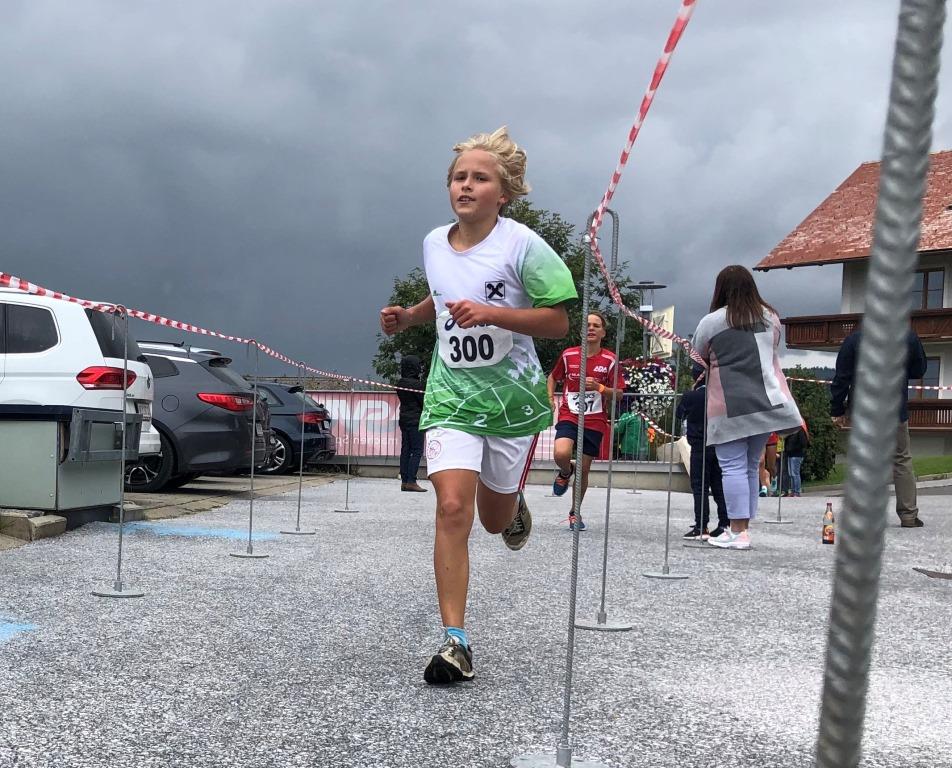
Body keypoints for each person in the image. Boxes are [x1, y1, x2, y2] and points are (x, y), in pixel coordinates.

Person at [379, 127, 576, 685]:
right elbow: (441, 297)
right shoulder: (433, 243)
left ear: (503, 193)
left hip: (510, 402)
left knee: (492, 521)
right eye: (458, 177)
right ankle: (455, 641)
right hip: (451, 395)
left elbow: (559, 321)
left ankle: (512, 507)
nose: (466, 185)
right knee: (450, 508)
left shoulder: (523, 246)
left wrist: (493, 314)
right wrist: (409, 317)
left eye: (479, 178)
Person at [691, 265, 803, 550]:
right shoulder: (771, 318)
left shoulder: (711, 322)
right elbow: (773, 350)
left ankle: (737, 531)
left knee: (732, 466)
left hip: (728, 403)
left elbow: (697, 355)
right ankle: (744, 528)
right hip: (765, 401)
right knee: (752, 465)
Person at [830, 328, 927, 527]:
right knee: (901, 459)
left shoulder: (854, 340)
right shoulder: (908, 336)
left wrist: (837, 409)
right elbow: (919, 370)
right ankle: (908, 515)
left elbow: (841, 378)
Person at [546, 312, 626, 530]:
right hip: (570, 414)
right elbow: (553, 377)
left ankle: (575, 513)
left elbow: (619, 393)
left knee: (583, 470)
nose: (591, 328)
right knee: (561, 453)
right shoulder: (569, 354)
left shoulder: (610, 359)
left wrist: (600, 388)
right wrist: (550, 398)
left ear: (603, 332)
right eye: (587, 325)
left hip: (595, 419)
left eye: (596, 325)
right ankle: (565, 471)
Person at [676, 364, 729, 539]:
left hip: (699, 444)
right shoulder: (721, 394)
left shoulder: (691, 396)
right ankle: (725, 523)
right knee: (719, 486)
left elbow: (679, 414)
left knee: (700, 487)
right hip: (719, 444)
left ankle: (701, 525)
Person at [396, 355, 427, 492]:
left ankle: (404, 481)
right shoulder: (417, 385)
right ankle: (411, 481)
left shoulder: (400, 383)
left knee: (406, 450)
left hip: (404, 419)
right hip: (416, 420)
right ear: (413, 367)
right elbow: (424, 403)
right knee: (417, 450)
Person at [783, 425, 809, 497]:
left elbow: (803, 443)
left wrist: (793, 448)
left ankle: (797, 491)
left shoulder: (800, 430)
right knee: (791, 474)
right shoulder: (790, 431)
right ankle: (793, 491)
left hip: (797, 454)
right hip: (790, 454)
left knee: (795, 473)